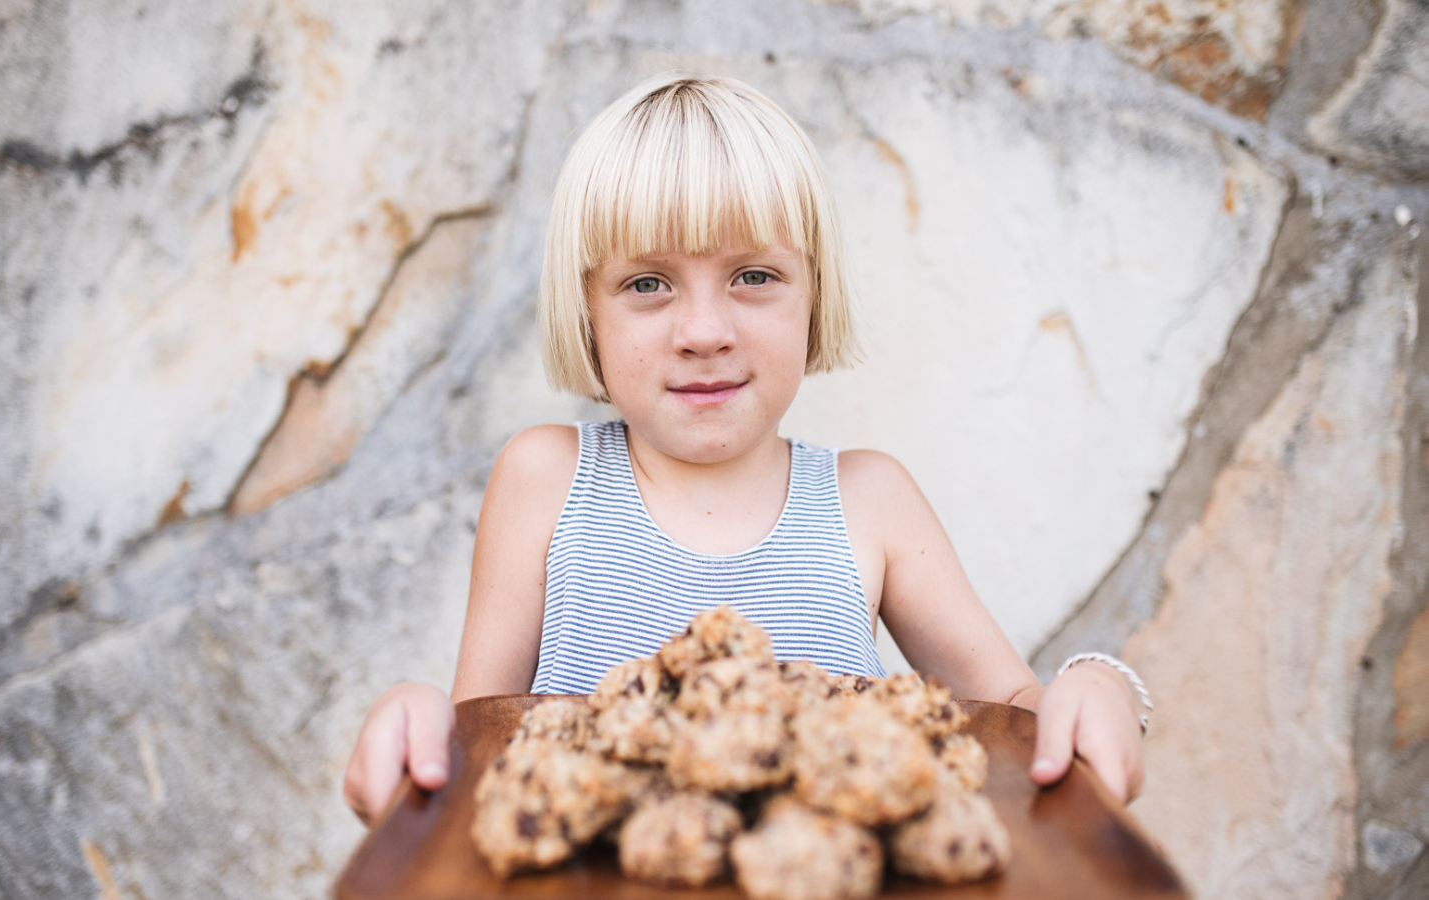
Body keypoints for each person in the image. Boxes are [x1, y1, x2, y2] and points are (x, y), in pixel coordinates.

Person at [343, 73, 1149, 826]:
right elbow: (480, 741)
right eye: (647, 284)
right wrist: (414, 719)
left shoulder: (870, 500)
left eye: (754, 276)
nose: (704, 333)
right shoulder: (546, 479)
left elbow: (1011, 710)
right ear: (586, 313)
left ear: (814, 296)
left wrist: (1100, 685)